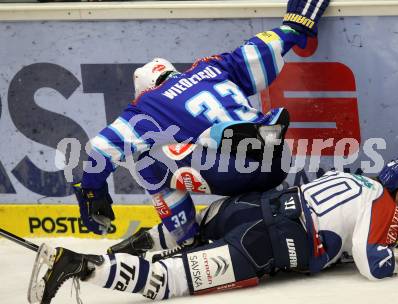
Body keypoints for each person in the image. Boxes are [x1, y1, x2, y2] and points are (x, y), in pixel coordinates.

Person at [73, 0, 330, 246]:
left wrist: (91, 191)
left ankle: (187, 239)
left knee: (144, 161)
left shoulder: (147, 105)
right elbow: (264, 46)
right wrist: (296, 22)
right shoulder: (212, 67)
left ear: (145, 89)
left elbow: (101, 149)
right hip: (278, 161)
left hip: (235, 170)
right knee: (210, 138)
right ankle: (249, 133)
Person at [28, 157, 398, 303]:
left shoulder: (352, 179)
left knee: (183, 231)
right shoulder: (382, 200)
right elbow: (374, 264)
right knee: (168, 281)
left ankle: (120, 250)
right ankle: (79, 265)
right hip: (265, 244)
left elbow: (343, 236)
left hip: (243, 209)